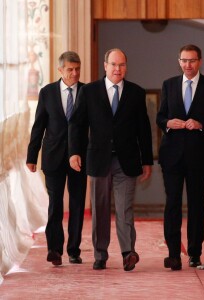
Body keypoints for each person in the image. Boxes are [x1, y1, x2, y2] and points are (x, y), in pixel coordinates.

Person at [68, 48, 153, 271]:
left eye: (122, 65)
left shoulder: (136, 93)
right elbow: (77, 124)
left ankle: (128, 253)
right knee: (100, 208)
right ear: (105, 66)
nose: (118, 69)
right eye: (113, 64)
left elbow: (144, 129)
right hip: (98, 159)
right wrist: (74, 152)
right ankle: (100, 254)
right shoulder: (89, 92)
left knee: (125, 209)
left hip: (127, 161)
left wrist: (147, 160)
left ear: (126, 67)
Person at [156, 44, 204, 271]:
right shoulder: (168, 85)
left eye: (192, 61)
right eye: (184, 60)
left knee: (196, 204)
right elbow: (160, 117)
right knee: (172, 204)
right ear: (179, 61)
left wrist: (201, 124)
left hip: (198, 156)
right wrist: (168, 123)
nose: (188, 65)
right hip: (171, 156)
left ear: (200, 61)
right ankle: (173, 254)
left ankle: (195, 253)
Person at [26, 51, 87, 266]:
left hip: (80, 158)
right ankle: (54, 249)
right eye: (70, 69)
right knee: (55, 204)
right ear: (60, 70)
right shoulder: (47, 92)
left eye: (77, 69)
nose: (74, 73)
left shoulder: (87, 92)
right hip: (53, 157)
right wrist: (31, 156)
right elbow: (39, 125)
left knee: (78, 205)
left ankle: (74, 250)